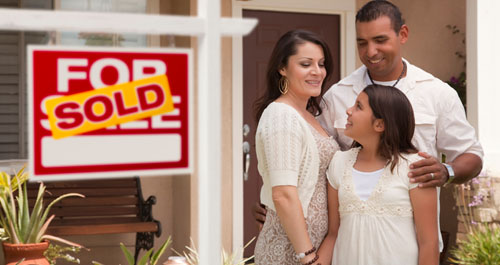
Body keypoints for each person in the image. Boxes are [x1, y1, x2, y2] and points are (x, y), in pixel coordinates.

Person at [254, 0, 483, 253]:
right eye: (362, 42)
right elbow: (312, 160)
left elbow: (472, 155)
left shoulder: (437, 93)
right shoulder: (337, 96)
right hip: (348, 245)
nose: (370, 51)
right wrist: (275, 201)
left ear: (402, 35)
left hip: (412, 247)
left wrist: (446, 171)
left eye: (380, 40)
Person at [253, 29, 340, 265]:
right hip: (290, 252)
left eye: (321, 64)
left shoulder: (309, 116)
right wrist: (308, 257)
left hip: (316, 250)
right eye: (305, 64)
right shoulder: (281, 114)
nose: (317, 71)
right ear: (282, 67)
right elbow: (282, 194)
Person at [326, 84, 439, 265]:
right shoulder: (339, 163)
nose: (348, 111)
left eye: (358, 106)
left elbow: (429, 243)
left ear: (379, 124)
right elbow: (333, 234)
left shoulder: (416, 167)